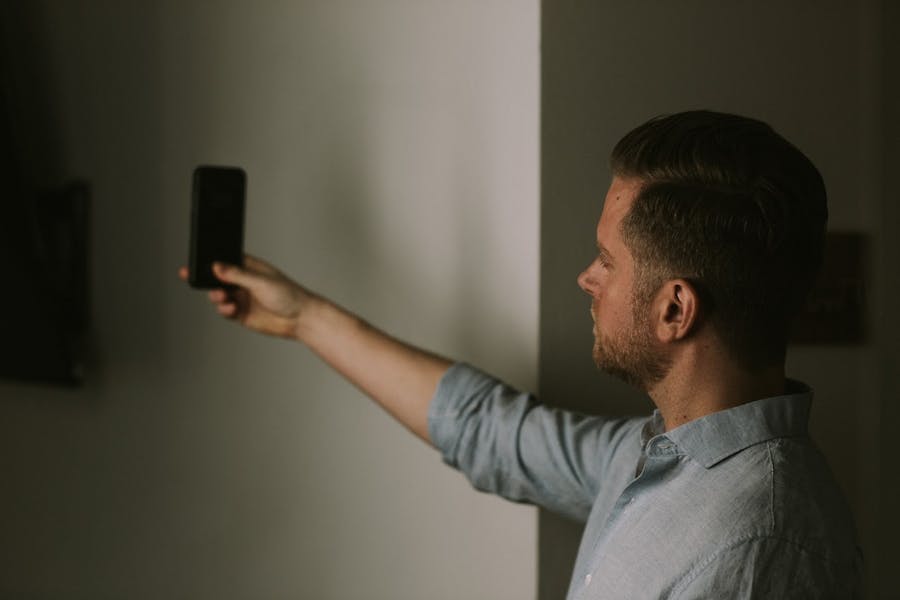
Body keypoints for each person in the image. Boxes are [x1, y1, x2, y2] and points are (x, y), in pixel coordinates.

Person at [180, 110, 862, 598]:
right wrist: (304, 317)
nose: (586, 278)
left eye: (606, 260)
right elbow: (488, 430)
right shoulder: (656, 454)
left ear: (674, 310)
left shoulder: (758, 547)